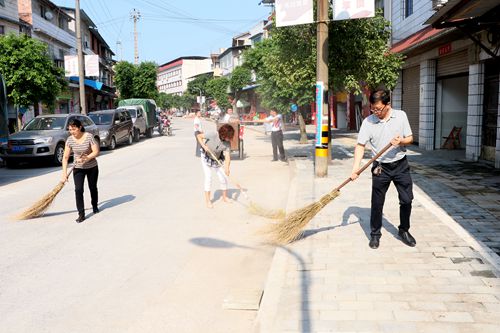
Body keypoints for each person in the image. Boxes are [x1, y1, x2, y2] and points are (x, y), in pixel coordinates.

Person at [350, 90, 415, 249]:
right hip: (380, 167)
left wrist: (401, 141)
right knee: (377, 203)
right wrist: (355, 168)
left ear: (388, 105)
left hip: (400, 164)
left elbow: (410, 139)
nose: (376, 112)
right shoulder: (368, 122)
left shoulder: (401, 116)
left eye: (378, 109)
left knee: (407, 200)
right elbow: (360, 146)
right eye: (373, 109)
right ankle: (375, 234)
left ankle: (404, 230)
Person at [61, 118, 100, 223]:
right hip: (78, 168)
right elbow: (65, 157)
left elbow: (96, 151)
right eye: (70, 130)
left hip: (92, 167)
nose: (72, 132)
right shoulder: (69, 140)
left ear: (80, 127)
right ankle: (81, 214)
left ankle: (95, 205)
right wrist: (64, 174)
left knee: (92, 187)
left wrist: (87, 158)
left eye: (74, 129)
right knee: (78, 190)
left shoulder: (89, 137)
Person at [196, 124, 235, 208]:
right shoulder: (213, 134)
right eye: (229, 136)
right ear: (223, 134)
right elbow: (199, 136)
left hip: (217, 158)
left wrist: (227, 168)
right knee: (208, 177)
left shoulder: (227, 143)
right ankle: (208, 200)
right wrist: (204, 146)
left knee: (223, 177)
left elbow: (227, 156)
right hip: (206, 156)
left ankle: (224, 197)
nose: (230, 138)